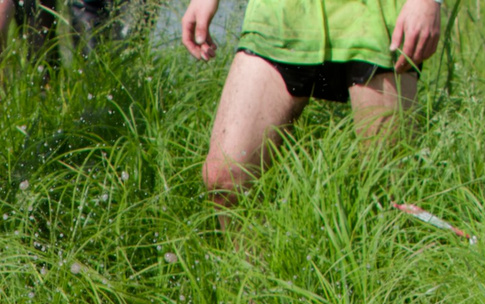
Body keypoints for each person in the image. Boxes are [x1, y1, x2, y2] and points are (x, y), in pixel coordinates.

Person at [181, 0, 443, 204]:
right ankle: (254, 271)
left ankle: (386, 271)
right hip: (283, 16)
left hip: (375, 21)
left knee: (389, 187)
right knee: (225, 177)